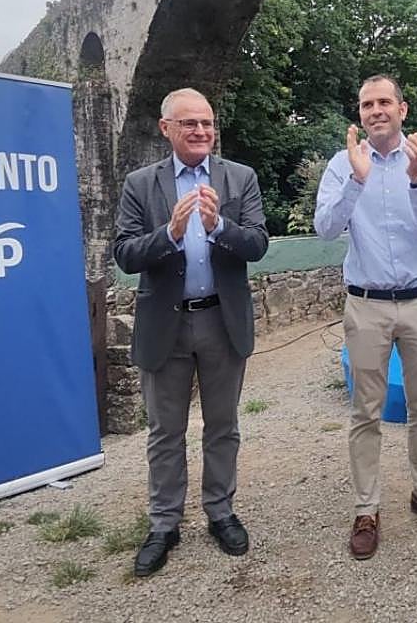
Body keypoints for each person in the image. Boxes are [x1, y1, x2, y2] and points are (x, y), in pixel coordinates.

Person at [114, 88, 269, 576]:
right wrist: (171, 235)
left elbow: (258, 244)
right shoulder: (141, 183)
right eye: (190, 124)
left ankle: (220, 512)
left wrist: (218, 225)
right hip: (167, 323)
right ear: (167, 129)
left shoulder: (240, 177)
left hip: (222, 321)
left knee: (223, 426)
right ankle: (164, 523)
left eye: (206, 123)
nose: (201, 131)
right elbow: (124, 254)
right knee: (165, 431)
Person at [314, 74, 417, 560]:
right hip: (366, 304)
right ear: (359, 113)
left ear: (402, 109)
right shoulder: (343, 164)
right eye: (366, 104)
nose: (375, 110)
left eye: (384, 102)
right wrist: (358, 180)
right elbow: (324, 229)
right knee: (366, 412)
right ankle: (366, 508)